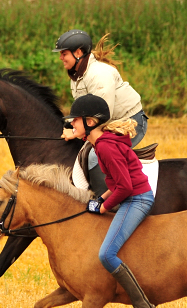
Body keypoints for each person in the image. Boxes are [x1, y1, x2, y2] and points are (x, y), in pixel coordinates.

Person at [62, 94, 160, 308]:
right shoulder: (101, 144)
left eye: (76, 121)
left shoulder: (104, 146)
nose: (72, 125)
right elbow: (116, 183)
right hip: (129, 195)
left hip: (137, 199)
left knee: (106, 254)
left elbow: (125, 187)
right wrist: (99, 199)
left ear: (91, 122)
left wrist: (104, 207)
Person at [54, 30, 149, 192]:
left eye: (64, 53)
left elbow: (100, 116)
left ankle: (108, 203)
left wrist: (76, 133)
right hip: (106, 122)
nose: (60, 58)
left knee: (95, 158)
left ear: (78, 53)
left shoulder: (99, 74)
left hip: (130, 122)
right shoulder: (77, 76)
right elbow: (84, 112)